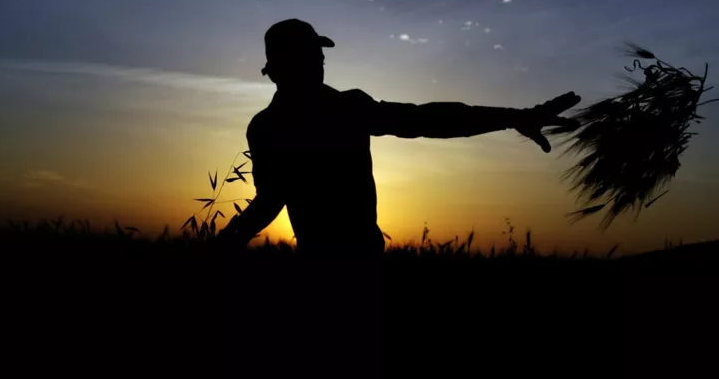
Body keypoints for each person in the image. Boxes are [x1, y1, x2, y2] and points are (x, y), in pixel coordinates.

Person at [216, 18, 581, 256]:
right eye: (313, 54)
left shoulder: (271, 125)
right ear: (281, 68)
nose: (321, 62)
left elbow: (426, 118)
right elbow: (426, 119)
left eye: (319, 55)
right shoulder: (330, 112)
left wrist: (515, 118)